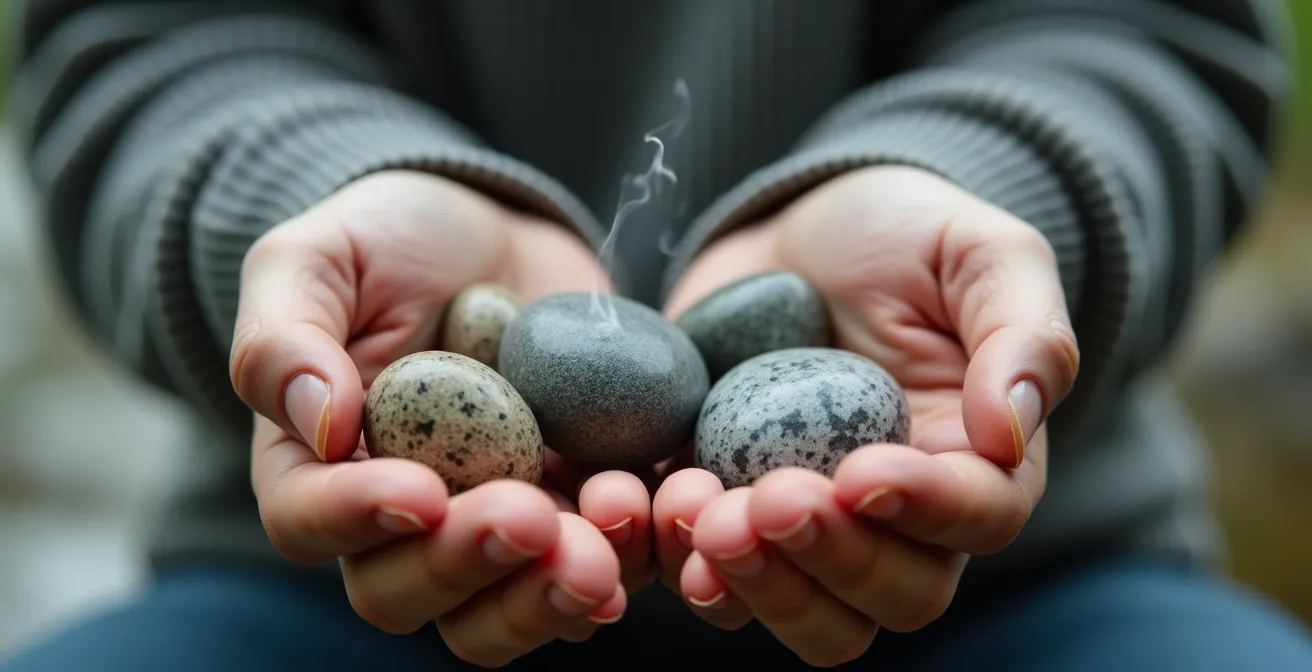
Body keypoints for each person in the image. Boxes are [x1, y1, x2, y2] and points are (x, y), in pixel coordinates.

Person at [4, 0, 1312, 669]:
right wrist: (312, 214)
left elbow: (1146, 29)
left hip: (1019, 581)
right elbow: (137, 43)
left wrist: (990, 194)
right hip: (330, 588)